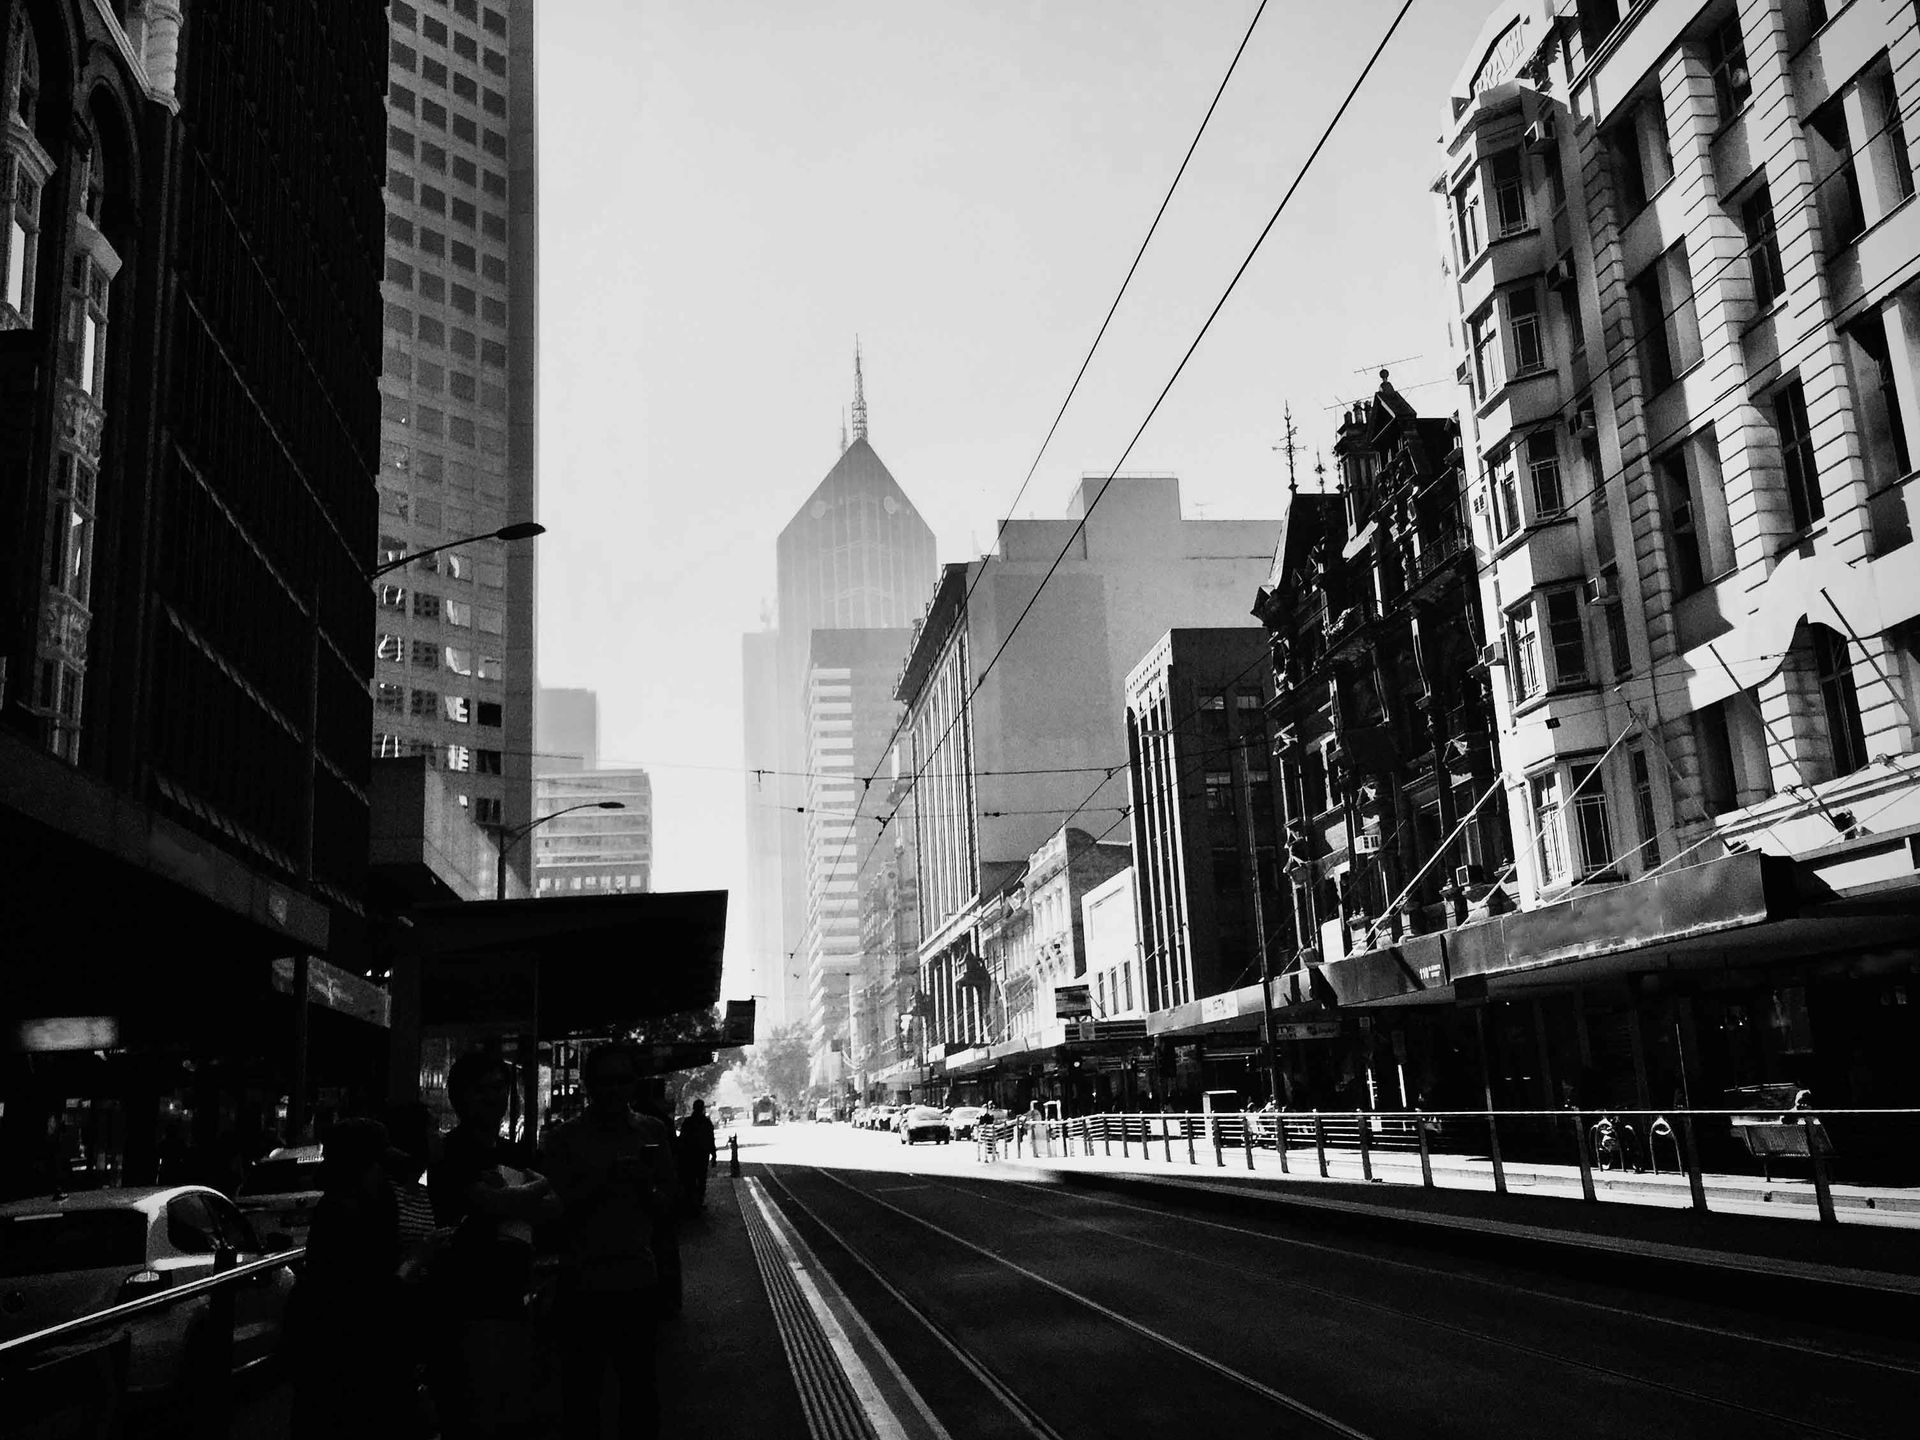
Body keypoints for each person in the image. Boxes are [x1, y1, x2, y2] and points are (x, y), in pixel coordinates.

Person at [539, 1043, 679, 1440]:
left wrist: (645, 1188)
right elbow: (553, 1212)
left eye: (624, 1080)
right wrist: (604, 1183)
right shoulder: (564, 1140)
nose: (615, 1090)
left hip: (638, 1281)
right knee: (582, 1396)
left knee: (640, 1392)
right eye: (605, 1081)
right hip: (582, 1285)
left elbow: (671, 1203)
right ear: (588, 1086)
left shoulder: (651, 1132)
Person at [429, 1052, 560, 1440]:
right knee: (480, 1414)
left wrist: (522, 1196)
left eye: (499, 1088)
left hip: (514, 1294)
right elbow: (499, 1203)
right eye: (481, 1090)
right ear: (458, 1098)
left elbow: (553, 1209)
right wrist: (535, 1189)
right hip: (467, 1301)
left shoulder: (510, 1151)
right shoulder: (453, 1151)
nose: (493, 1098)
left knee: (511, 1408)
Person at [288, 1118, 410, 1439]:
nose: (383, 1175)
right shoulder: (347, 1217)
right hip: (346, 1368)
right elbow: (365, 1299)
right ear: (360, 1168)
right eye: (377, 1166)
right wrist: (411, 1265)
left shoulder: (345, 1208)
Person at [675, 1099, 718, 1214]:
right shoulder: (706, 1122)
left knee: (691, 1178)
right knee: (701, 1178)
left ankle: (691, 1202)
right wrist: (713, 1155)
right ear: (702, 1108)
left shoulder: (688, 1122)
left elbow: (682, 1138)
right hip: (702, 1155)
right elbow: (711, 1139)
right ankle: (699, 1201)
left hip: (689, 1155)